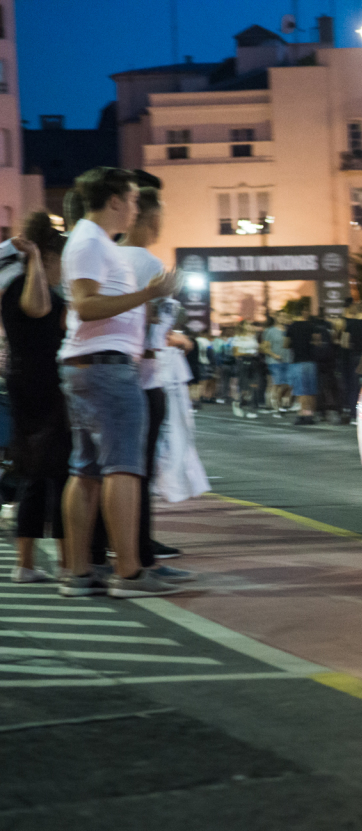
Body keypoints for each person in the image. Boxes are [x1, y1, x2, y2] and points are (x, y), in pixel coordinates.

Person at [58, 167, 181, 598]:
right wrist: (149, 294)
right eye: (130, 200)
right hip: (106, 369)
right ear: (113, 201)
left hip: (89, 366)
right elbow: (86, 305)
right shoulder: (91, 241)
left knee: (86, 471)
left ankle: (78, 572)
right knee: (123, 468)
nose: (136, 208)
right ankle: (127, 572)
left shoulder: (91, 241)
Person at [88, 185, 197, 582]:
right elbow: (150, 321)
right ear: (152, 219)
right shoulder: (147, 262)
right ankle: (139, 555)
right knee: (135, 471)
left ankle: (101, 553)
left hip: (112, 370)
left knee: (98, 470)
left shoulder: (112, 255)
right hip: (143, 377)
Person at [1, 213, 70, 582]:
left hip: (26, 382)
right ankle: (63, 563)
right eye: (61, 262)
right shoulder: (26, 286)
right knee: (56, 473)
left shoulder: (14, 282)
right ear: (49, 258)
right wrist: (37, 263)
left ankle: (26, 564)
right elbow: (39, 309)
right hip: (42, 384)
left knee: (32, 472)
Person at [285, 297, 321, 425]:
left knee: (301, 390)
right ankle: (310, 414)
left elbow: (286, 344)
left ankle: (302, 413)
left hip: (298, 361)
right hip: (311, 361)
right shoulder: (313, 326)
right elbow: (317, 342)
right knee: (311, 389)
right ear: (305, 311)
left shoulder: (292, 327)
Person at [230, 321, 260, 418]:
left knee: (254, 385)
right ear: (242, 326)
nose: (249, 326)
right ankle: (237, 404)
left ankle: (251, 409)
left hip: (254, 362)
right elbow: (236, 353)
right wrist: (248, 354)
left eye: (250, 324)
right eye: (247, 324)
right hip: (243, 362)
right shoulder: (238, 337)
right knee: (244, 387)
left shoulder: (253, 336)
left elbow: (257, 349)